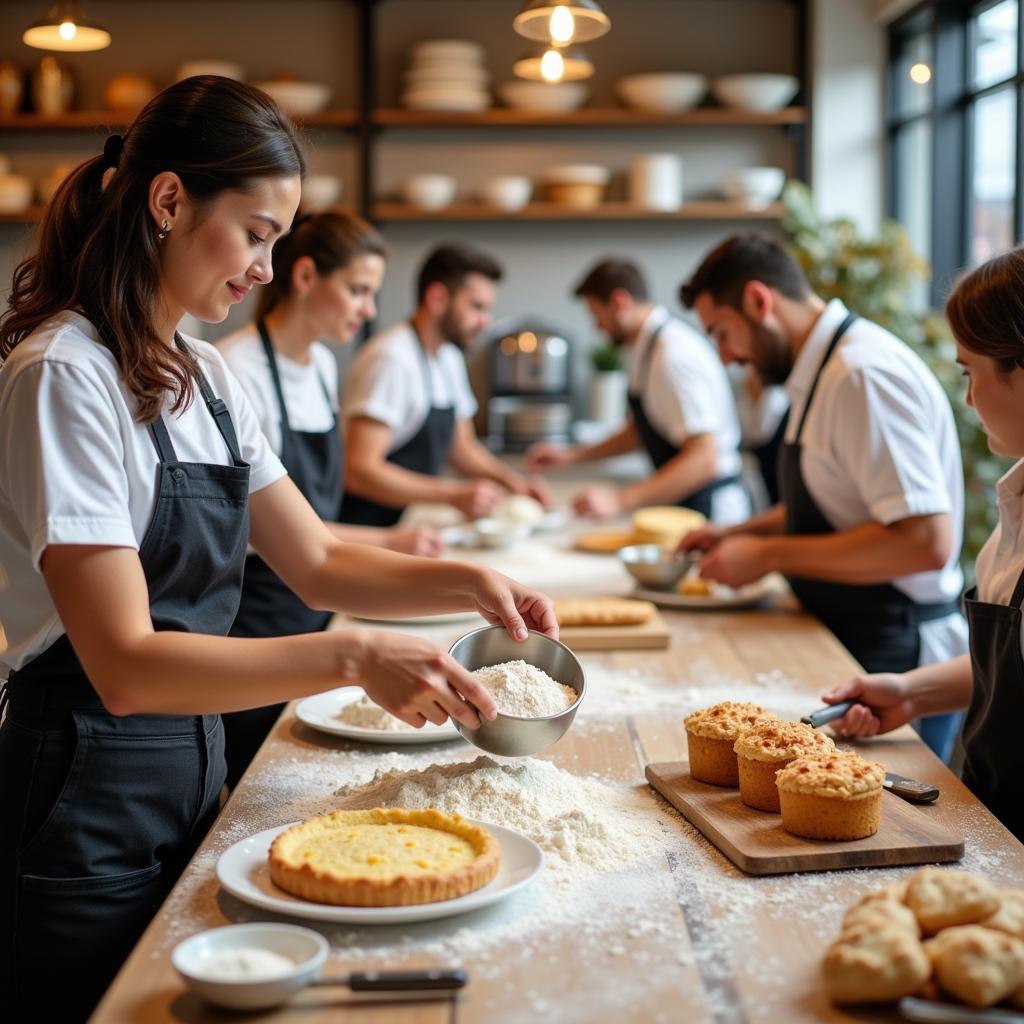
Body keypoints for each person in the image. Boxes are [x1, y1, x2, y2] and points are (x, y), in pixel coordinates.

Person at [0, 77, 555, 1024]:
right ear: (169, 202)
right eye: (257, 232)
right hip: (82, 804)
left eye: (277, 242)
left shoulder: (208, 376)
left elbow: (320, 562)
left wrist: (469, 581)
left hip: (194, 776)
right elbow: (126, 666)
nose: (264, 267)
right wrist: (352, 654)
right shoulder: (63, 375)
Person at [677, 233, 967, 761]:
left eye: (722, 333)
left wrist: (767, 555)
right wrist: (738, 533)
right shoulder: (825, 371)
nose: (725, 356)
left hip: (898, 649)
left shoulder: (862, 376)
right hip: (854, 632)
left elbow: (924, 541)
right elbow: (843, 500)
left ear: (759, 301)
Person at [217, 210, 442, 788]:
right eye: (358, 290)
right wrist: (389, 541)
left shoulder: (320, 364)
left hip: (321, 616)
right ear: (307, 276)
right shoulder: (238, 370)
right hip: (260, 624)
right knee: (260, 791)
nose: (368, 311)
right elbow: (247, 528)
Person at [822, 248, 1024, 840]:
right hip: (995, 830)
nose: (968, 399)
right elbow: (1009, 671)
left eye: (970, 372)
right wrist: (912, 692)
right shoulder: (1016, 505)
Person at [339, 242, 551, 527]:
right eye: (476, 307)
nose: (485, 322)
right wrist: (453, 495)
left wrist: (515, 484)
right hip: (362, 528)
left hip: (403, 522)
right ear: (437, 298)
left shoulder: (448, 357)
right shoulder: (391, 359)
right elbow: (360, 471)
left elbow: (461, 447)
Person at [526, 258, 750, 524]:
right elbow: (641, 432)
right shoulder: (645, 351)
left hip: (711, 508)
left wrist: (620, 500)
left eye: (596, 315)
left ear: (619, 303)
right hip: (682, 504)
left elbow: (704, 458)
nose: (597, 327)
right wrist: (572, 455)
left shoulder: (673, 357)